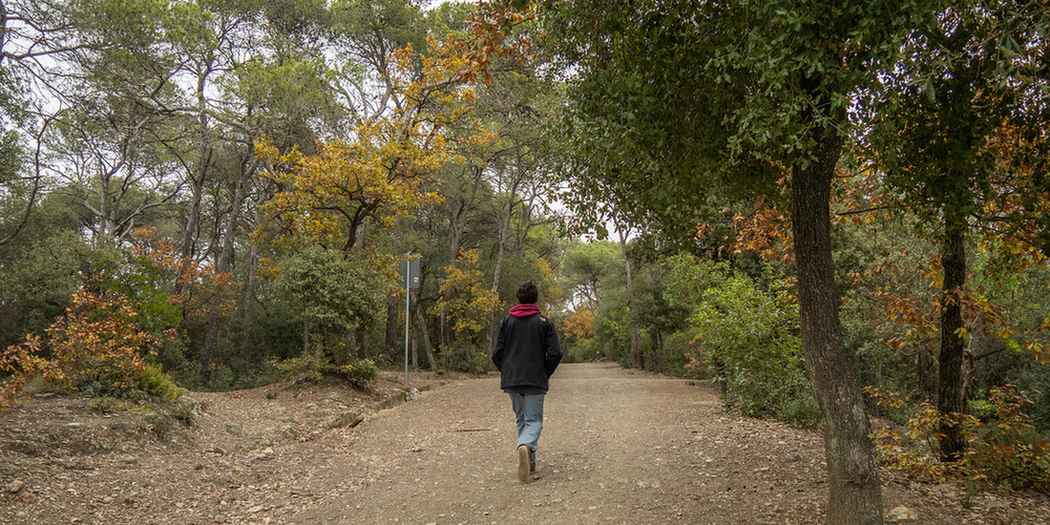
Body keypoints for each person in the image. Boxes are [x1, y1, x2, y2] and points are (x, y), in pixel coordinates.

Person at [492, 281, 562, 483]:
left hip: (512, 379)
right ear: (535, 298)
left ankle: (530, 465)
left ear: (518, 298)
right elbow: (556, 353)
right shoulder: (544, 322)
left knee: (522, 419)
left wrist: (506, 371)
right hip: (535, 380)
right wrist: (545, 372)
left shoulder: (506, 321)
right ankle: (524, 446)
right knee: (534, 421)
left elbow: (497, 353)